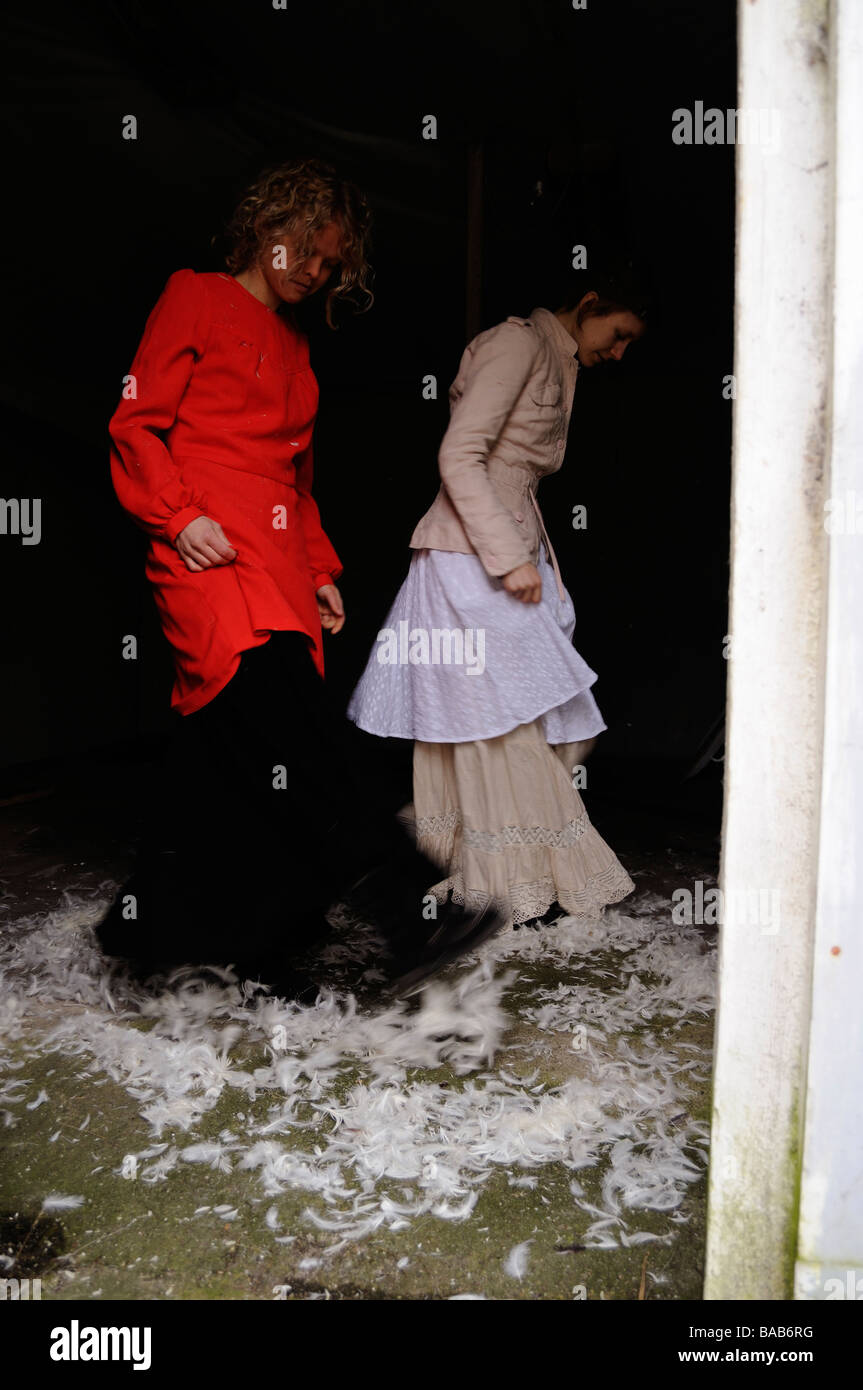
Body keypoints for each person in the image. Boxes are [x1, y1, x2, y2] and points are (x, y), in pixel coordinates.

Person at [99, 158, 504, 997]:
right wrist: (179, 518)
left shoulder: (295, 343)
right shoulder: (195, 296)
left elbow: (296, 480)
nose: (315, 272)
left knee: (229, 750)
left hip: (277, 557)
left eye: (331, 264)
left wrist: (318, 569)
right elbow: (134, 425)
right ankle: (408, 910)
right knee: (291, 731)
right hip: (205, 550)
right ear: (267, 226)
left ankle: (163, 935)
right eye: (306, 252)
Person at [348, 263, 649, 928]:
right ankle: (496, 878)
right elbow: (460, 454)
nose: (620, 352)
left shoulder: (556, 358)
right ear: (590, 301)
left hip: (511, 548)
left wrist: (527, 558)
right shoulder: (517, 345)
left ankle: (489, 867)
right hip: (468, 557)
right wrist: (508, 558)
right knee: (491, 720)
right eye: (618, 332)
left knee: (535, 714)